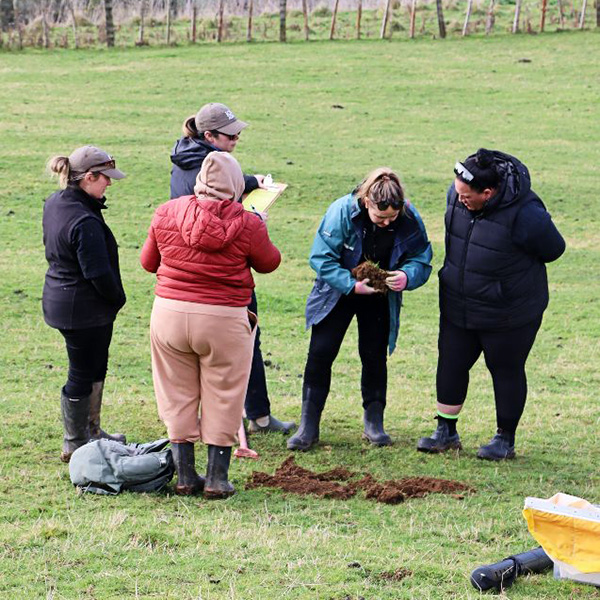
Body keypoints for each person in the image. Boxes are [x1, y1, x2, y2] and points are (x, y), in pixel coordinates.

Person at [141, 152, 281, 498]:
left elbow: (148, 262)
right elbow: (269, 263)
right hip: (224, 318)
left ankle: (186, 476)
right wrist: (258, 225)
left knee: (176, 392)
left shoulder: (166, 211)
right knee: (224, 393)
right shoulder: (247, 222)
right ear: (236, 186)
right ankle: (217, 479)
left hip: (170, 314)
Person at [417, 149, 566, 460]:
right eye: (456, 191)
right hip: (459, 301)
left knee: (506, 369)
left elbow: (554, 248)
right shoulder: (457, 195)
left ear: (488, 192)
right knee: (451, 362)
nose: (458, 200)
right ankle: (445, 431)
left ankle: (504, 440)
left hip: (509, 311)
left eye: (466, 195)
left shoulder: (526, 212)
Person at [169, 102, 295, 435]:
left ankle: (250, 416)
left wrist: (255, 180)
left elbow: (229, 181)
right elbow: (215, 220)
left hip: (195, 279)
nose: (237, 139)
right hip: (221, 276)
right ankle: (245, 419)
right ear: (209, 136)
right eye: (231, 135)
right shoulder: (200, 170)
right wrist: (250, 223)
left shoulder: (195, 158)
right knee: (241, 340)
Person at [287, 168, 433, 451]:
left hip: (379, 292)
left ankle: (374, 424)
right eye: (380, 217)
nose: (386, 222)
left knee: (374, 354)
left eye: (392, 217)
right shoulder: (341, 212)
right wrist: (350, 285)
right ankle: (308, 426)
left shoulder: (408, 217)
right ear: (366, 202)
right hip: (336, 291)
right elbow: (321, 257)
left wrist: (407, 276)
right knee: (321, 352)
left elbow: (421, 257)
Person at [42, 145, 127, 463]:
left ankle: (91, 431)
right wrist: (118, 298)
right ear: (88, 177)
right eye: (105, 178)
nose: (109, 184)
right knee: (81, 372)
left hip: (63, 299)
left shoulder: (56, 202)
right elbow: (98, 273)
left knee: (93, 366)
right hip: (84, 310)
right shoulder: (84, 220)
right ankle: (76, 441)